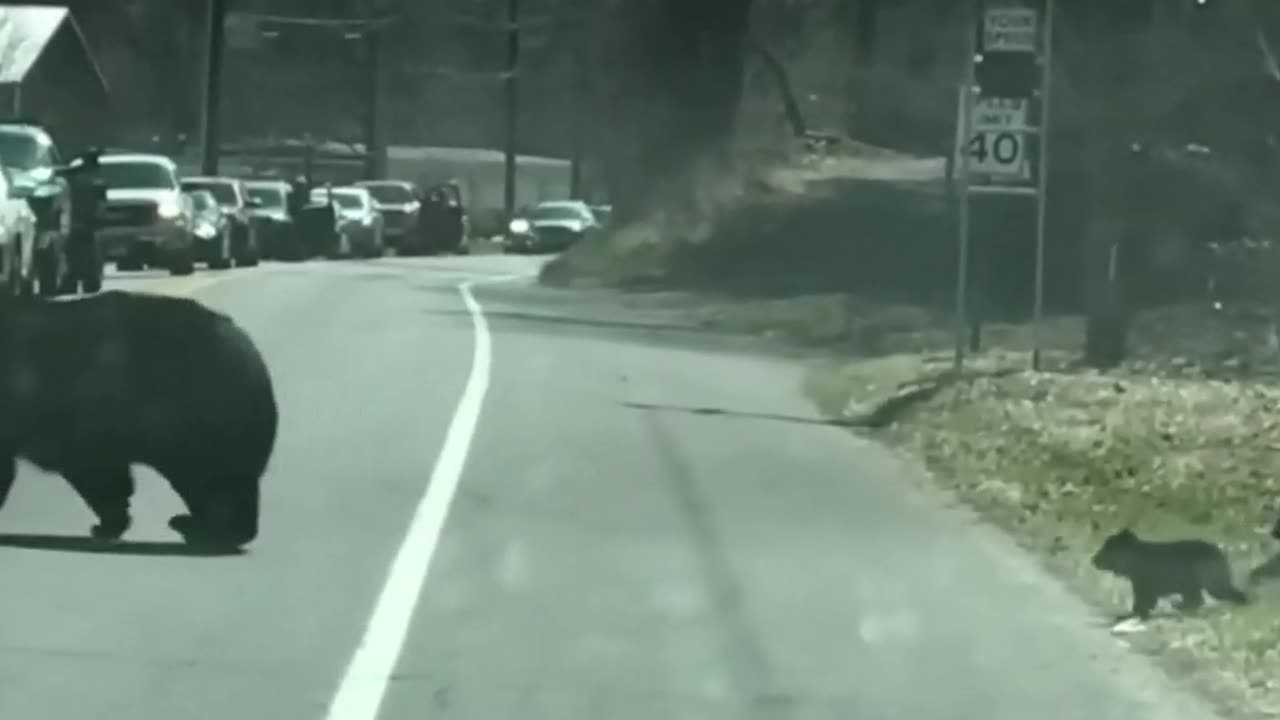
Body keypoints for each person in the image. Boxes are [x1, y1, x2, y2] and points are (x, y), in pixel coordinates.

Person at [63, 148, 106, 292]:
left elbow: (100, 205)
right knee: (82, 254)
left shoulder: (75, 180)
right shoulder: (91, 183)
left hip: (82, 224)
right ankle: (78, 280)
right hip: (79, 223)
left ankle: (79, 280)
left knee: (82, 254)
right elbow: (101, 205)